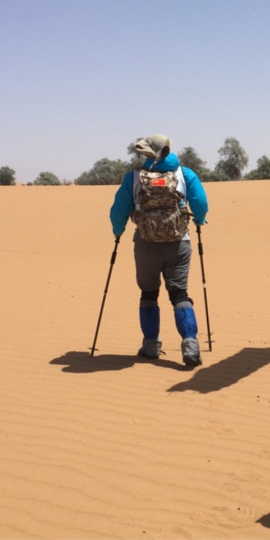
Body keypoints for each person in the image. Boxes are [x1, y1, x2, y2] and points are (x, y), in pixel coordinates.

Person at [109, 134, 209, 368]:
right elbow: (200, 202)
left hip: (146, 244)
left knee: (149, 293)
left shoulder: (134, 177)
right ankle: (190, 345)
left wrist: (118, 230)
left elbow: (119, 209)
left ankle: (151, 346)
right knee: (179, 293)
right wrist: (199, 219)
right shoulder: (185, 174)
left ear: (150, 153)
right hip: (179, 243)